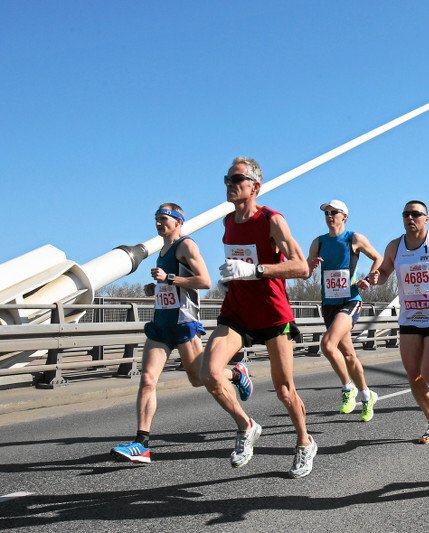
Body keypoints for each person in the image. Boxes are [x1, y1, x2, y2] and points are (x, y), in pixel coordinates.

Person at [204, 156, 316, 478]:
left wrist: (256, 270)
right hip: (237, 310)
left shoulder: (272, 220)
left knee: (284, 390)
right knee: (210, 373)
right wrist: (230, 278)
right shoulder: (227, 222)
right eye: (226, 179)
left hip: (271, 312)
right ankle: (247, 425)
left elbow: (301, 267)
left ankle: (304, 442)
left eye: (236, 179)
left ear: (255, 186)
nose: (229, 185)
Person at [111, 203, 213, 463]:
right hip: (161, 325)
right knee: (147, 379)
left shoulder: (186, 245)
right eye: (156, 218)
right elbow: (170, 282)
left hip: (182, 322)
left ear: (178, 222)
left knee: (199, 378)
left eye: (164, 219)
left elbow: (204, 281)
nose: (158, 223)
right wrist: (154, 287)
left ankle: (235, 372)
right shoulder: (162, 250)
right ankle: (141, 443)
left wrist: (168, 279)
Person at [367, 200, 429, 444]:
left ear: (426, 218)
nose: (410, 218)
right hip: (409, 317)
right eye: (406, 214)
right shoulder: (394, 246)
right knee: (414, 375)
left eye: (415, 214)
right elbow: (384, 275)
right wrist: (374, 278)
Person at [306, 199, 382, 422]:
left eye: (334, 212)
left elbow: (377, 258)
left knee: (327, 345)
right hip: (328, 304)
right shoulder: (318, 243)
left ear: (344, 217)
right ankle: (367, 395)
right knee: (348, 354)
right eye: (326, 213)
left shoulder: (354, 238)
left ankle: (347, 388)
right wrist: (310, 266)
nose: (329, 216)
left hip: (350, 300)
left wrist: (368, 279)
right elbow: (306, 272)